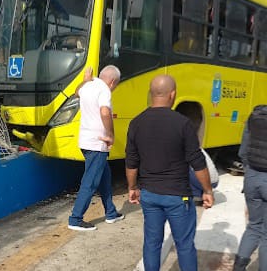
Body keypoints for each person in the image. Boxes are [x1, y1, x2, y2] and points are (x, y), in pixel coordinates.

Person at [125, 74, 214, 271]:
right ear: (172, 95)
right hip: (177, 196)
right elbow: (197, 162)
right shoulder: (183, 123)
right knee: (184, 246)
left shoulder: (136, 122)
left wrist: (132, 187)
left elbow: (131, 162)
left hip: (149, 195)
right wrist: (207, 190)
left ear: (151, 94)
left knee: (152, 243)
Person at [68, 65, 124, 231]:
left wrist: (84, 81)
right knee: (90, 182)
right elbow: (105, 112)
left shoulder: (88, 85)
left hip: (85, 141)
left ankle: (111, 213)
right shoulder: (104, 90)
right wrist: (110, 134)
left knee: (105, 176)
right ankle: (75, 219)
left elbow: (76, 92)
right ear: (113, 81)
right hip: (97, 143)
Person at [233, 105, 267, 271]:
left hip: (252, 177)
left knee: (253, 226)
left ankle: (238, 267)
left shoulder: (255, 115)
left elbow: (243, 151)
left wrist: (250, 172)